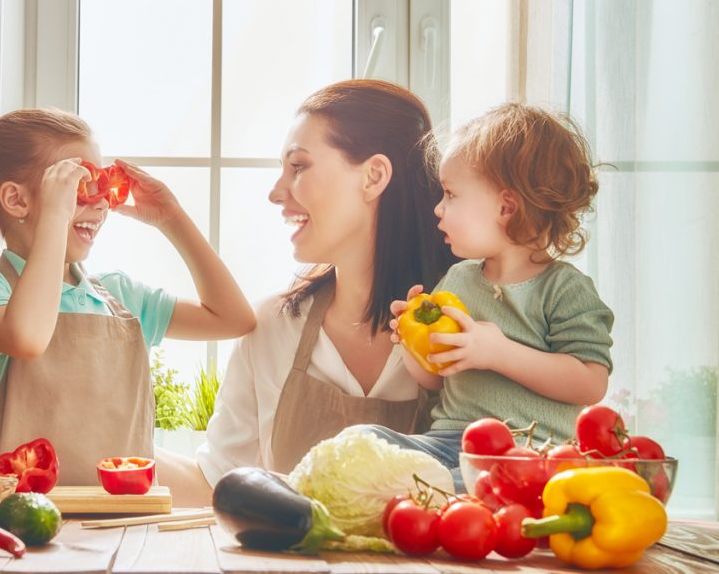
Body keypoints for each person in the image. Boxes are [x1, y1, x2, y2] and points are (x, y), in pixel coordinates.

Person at [159, 80, 456, 505]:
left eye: (298, 167)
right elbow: (217, 483)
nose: (276, 192)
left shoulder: (467, 327)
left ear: (373, 176)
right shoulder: (269, 327)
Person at [0, 109, 256, 485]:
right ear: (17, 201)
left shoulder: (119, 297)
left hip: (126, 512)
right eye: (80, 186)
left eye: (104, 185)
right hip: (33, 514)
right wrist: (55, 214)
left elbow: (234, 319)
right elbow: (28, 337)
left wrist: (172, 219)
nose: (101, 203)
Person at [375, 102, 615, 478]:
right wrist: (413, 343)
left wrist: (499, 353)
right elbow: (436, 379)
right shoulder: (457, 279)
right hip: (450, 442)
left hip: (531, 454)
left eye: (451, 194)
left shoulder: (564, 288)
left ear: (506, 207)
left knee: (448, 486)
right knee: (366, 439)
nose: (438, 209)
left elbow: (589, 383)